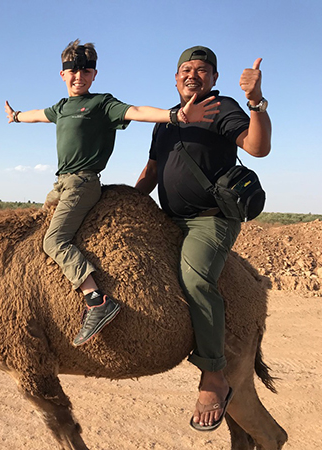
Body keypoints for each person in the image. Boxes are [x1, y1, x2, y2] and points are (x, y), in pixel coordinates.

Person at [5, 40, 220, 347]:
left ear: (94, 75)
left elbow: (137, 111)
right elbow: (39, 115)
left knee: (55, 240)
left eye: (85, 71)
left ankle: (96, 300)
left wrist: (175, 117)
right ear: (62, 75)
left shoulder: (102, 104)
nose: (78, 76)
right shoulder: (62, 108)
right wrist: (16, 116)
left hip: (83, 183)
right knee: (38, 231)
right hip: (61, 184)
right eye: (72, 71)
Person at [134, 46, 271, 431]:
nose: (192, 74)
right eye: (185, 69)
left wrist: (256, 102)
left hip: (209, 221)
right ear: (175, 78)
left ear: (213, 78)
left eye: (202, 69)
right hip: (168, 219)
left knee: (195, 279)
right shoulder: (165, 120)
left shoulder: (221, 107)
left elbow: (257, 148)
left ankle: (214, 374)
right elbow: (151, 172)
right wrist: (123, 198)